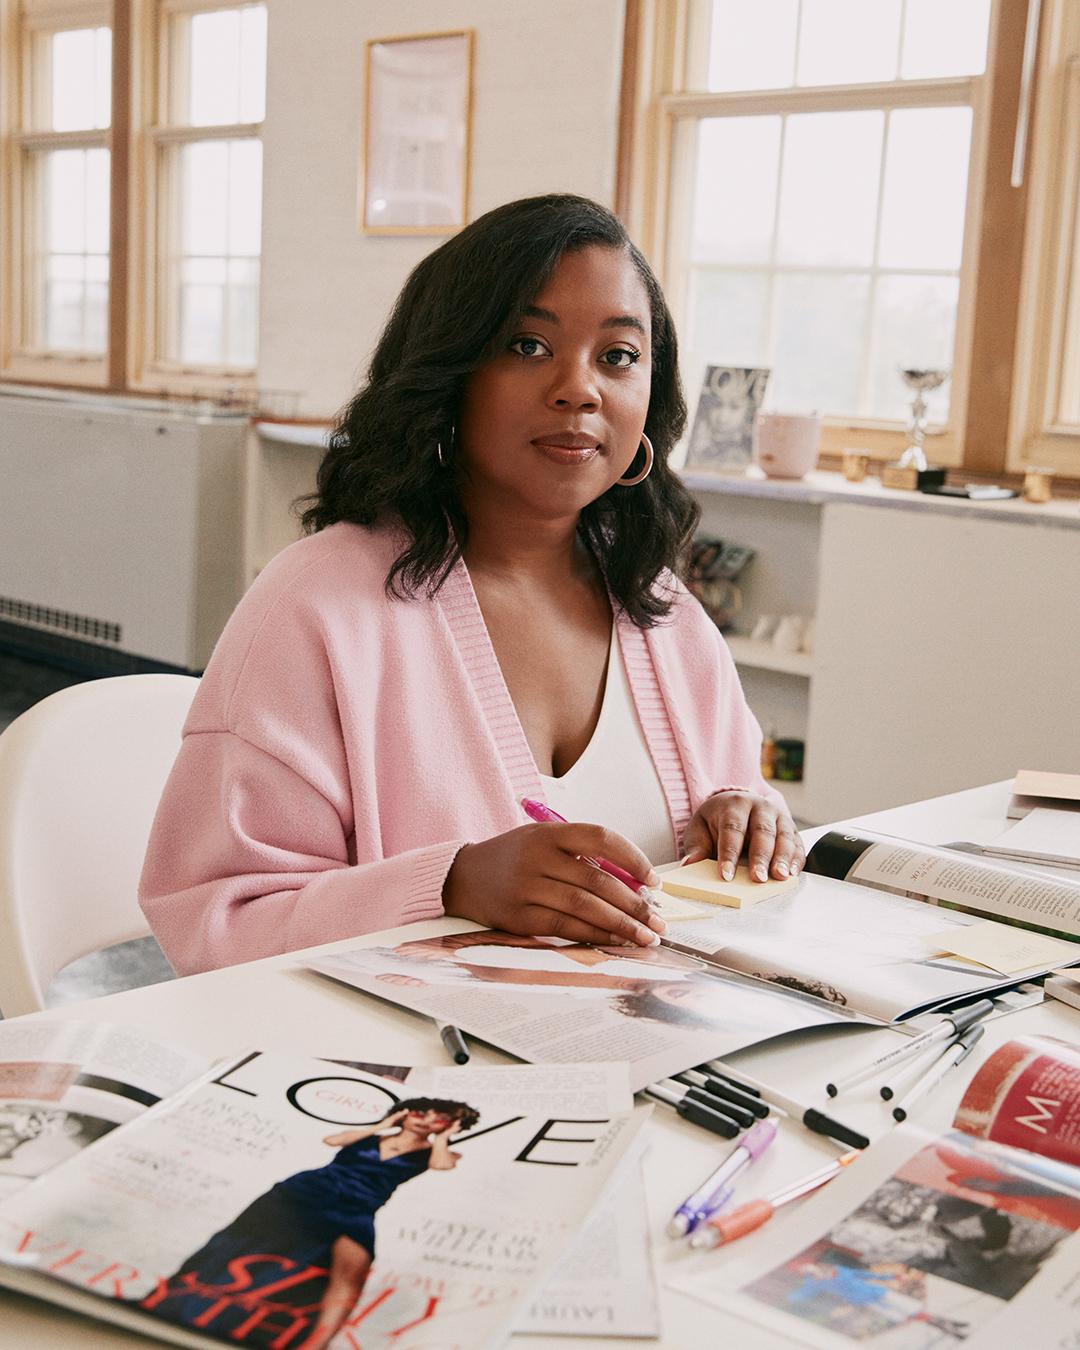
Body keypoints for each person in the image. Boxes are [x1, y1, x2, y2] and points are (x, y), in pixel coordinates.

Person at [139, 193, 803, 974]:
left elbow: (723, 827)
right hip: (408, 1078)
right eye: (527, 344)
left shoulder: (666, 614)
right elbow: (216, 919)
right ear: (448, 373)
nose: (580, 388)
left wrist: (741, 817)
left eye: (618, 355)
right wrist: (450, 885)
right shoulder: (317, 606)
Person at [146, 1099, 478, 1350]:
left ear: (449, 1126)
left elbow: (441, 1165)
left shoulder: (437, 1151)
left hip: (355, 1210)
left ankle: (314, 1345)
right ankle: (171, 1303)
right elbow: (334, 1141)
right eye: (422, 1112)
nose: (429, 1120)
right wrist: (382, 1125)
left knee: (349, 1277)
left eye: (442, 1118)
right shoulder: (369, 1136)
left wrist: (444, 1136)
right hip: (303, 1192)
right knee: (235, 1245)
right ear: (406, 1113)